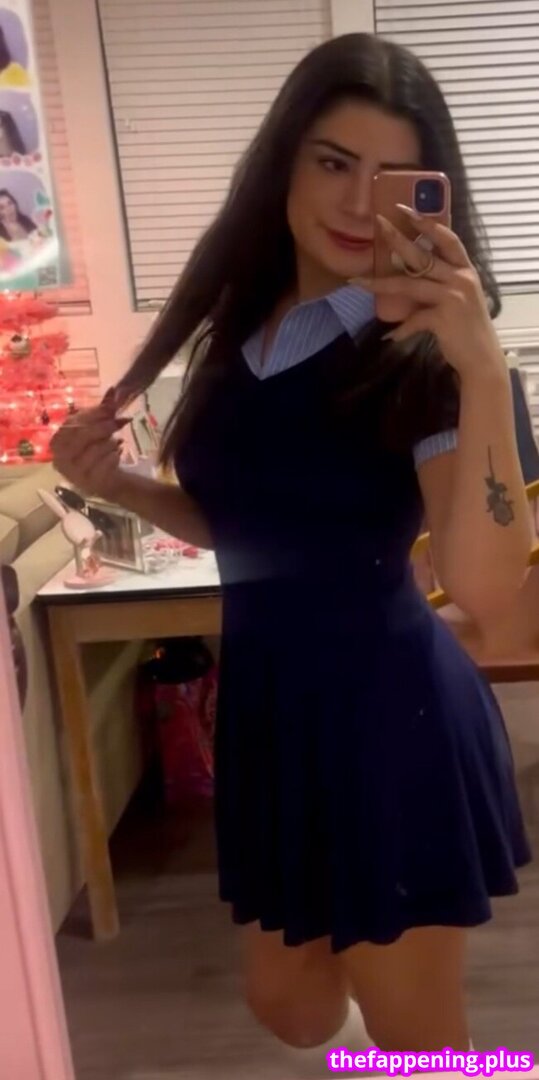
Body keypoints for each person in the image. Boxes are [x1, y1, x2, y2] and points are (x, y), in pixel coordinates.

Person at [50, 33, 533, 1055]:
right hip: (270, 718)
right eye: (332, 162)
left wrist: (485, 371)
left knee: (422, 1047)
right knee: (285, 1000)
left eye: (389, 176)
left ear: (429, 192)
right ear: (284, 164)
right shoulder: (243, 328)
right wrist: (117, 486)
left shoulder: (426, 358)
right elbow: (247, 525)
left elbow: (486, 594)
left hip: (388, 722)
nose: (358, 204)